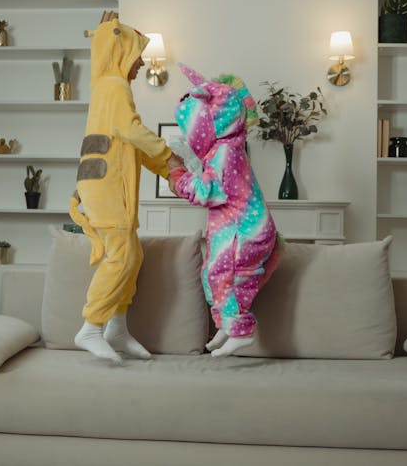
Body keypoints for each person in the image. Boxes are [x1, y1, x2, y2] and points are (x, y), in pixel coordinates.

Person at [69, 19, 184, 363]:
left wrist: (167, 170)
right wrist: (169, 156)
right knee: (122, 256)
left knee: (132, 255)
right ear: (121, 52)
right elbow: (131, 131)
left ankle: (117, 327)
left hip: (105, 185)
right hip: (107, 188)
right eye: (137, 54)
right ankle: (91, 325)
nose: (141, 62)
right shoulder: (115, 86)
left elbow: (128, 144)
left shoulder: (107, 88)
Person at [169, 64, 282, 357]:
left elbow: (209, 191)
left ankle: (240, 331)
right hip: (236, 226)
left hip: (244, 229)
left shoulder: (225, 152)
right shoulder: (225, 149)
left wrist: (179, 178)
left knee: (223, 274)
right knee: (213, 273)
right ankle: (226, 323)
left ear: (208, 125)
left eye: (191, 129)